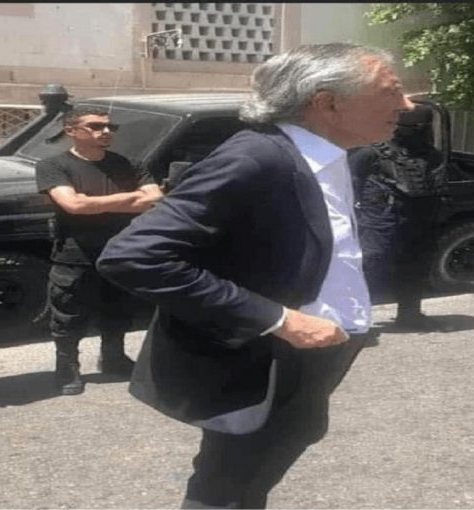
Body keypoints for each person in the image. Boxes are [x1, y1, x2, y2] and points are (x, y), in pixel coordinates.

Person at [97, 43, 415, 508]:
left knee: (268, 460)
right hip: (266, 357)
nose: (407, 105)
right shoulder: (257, 158)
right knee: (229, 481)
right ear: (327, 103)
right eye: (391, 91)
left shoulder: (339, 155)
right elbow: (133, 256)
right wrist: (279, 319)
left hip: (321, 348)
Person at [35, 105, 162, 396]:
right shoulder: (53, 166)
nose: (105, 131)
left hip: (120, 249)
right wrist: (131, 198)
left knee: (119, 307)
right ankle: (67, 366)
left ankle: (113, 357)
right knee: (68, 311)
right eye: (95, 126)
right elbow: (73, 205)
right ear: (71, 131)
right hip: (75, 253)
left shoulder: (128, 164)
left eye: (109, 127)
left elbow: (155, 198)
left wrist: (92, 202)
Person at [348, 105, 449, 332]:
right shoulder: (370, 152)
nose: (420, 132)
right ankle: (352, 322)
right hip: (380, 221)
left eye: (422, 127)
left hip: (421, 220)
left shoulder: (432, 155)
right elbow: (349, 186)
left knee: (417, 266)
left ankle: (410, 315)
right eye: (414, 127)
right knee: (369, 267)